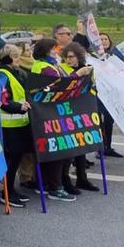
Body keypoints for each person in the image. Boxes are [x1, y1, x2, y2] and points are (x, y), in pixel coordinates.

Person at [28, 38, 76, 201]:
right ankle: (55, 187)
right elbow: (59, 87)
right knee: (58, 152)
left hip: (45, 112)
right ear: (47, 50)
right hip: (51, 113)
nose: (57, 50)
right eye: (55, 48)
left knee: (49, 151)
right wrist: (78, 75)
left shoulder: (44, 65)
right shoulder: (47, 68)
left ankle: (44, 184)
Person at [0, 46, 33, 209]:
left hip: (18, 123)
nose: (18, 59)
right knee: (9, 161)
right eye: (15, 56)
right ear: (7, 58)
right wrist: (19, 107)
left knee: (15, 161)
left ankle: (11, 190)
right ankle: (6, 194)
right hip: (8, 125)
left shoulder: (13, 72)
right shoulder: (2, 74)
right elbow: (3, 100)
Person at [60, 44, 101, 193]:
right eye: (66, 57)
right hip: (67, 112)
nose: (68, 60)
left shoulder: (87, 68)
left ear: (78, 56)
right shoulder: (63, 70)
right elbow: (63, 86)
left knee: (81, 146)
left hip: (83, 110)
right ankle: (65, 180)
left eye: (71, 56)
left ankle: (82, 178)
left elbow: (92, 88)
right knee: (69, 149)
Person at [96, 33, 122, 157]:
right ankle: (99, 148)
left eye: (106, 39)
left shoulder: (114, 55)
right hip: (98, 94)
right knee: (98, 122)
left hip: (111, 94)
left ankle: (108, 147)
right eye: (101, 39)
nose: (104, 41)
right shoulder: (93, 56)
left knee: (109, 121)